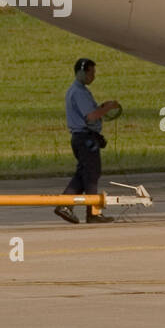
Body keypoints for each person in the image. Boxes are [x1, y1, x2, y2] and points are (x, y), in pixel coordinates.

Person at [54, 57, 120, 224]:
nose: (93, 76)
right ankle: (93, 213)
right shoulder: (80, 92)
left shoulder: (75, 90)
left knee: (83, 174)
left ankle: (64, 204)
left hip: (81, 139)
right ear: (82, 72)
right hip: (85, 140)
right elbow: (90, 117)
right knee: (91, 175)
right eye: (92, 72)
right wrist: (107, 108)